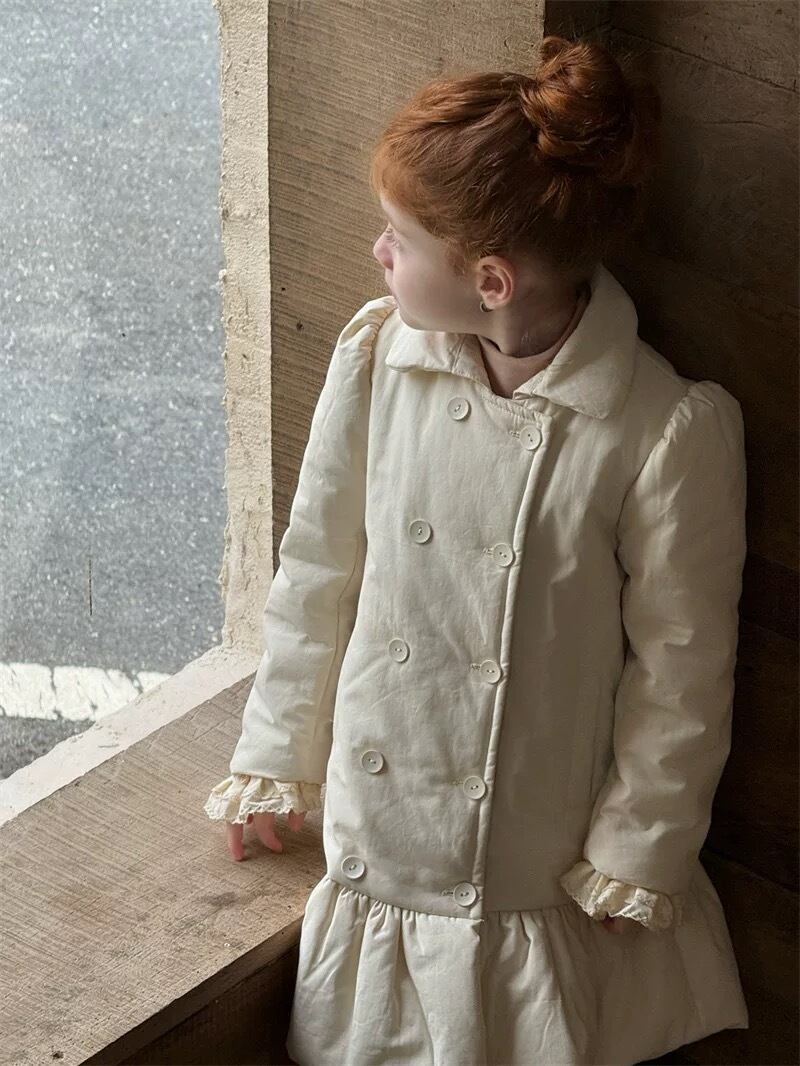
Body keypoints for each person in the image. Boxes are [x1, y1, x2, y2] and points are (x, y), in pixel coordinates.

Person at [204, 33, 750, 1066]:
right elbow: (317, 570)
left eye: (398, 238)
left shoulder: (660, 429)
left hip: (533, 873)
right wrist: (276, 756)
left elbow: (682, 669)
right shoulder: (377, 357)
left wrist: (638, 852)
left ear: (491, 279)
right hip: (380, 846)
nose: (378, 253)